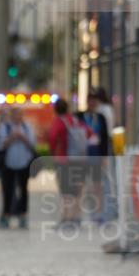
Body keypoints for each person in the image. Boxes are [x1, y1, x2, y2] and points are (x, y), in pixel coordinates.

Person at [0, 106, 36, 229]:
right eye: (16, 114)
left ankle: (23, 216)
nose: (18, 117)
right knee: (7, 190)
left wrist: (22, 137)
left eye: (20, 114)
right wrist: (11, 138)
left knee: (24, 190)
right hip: (8, 164)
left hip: (24, 163)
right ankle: (6, 216)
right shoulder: (5, 127)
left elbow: (32, 144)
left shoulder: (27, 127)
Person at [48, 97, 88, 226]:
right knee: (77, 189)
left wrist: (53, 153)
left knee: (66, 190)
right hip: (80, 160)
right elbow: (89, 134)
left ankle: (66, 217)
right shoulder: (75, 120)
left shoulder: (59, 122)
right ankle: (76, 216)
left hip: (64, 160)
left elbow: (53, 138)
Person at [81, 90, 110, 222]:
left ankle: (98, 213)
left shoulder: (101, 118)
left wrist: (105, 157)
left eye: (95, 100)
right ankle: (82, 212)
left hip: (96, 154)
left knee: (97, 184)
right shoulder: (79, 117)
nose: (92, 103)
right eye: (90, 100)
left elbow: (104, 138)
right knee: (82, 185)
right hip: (83, 154)